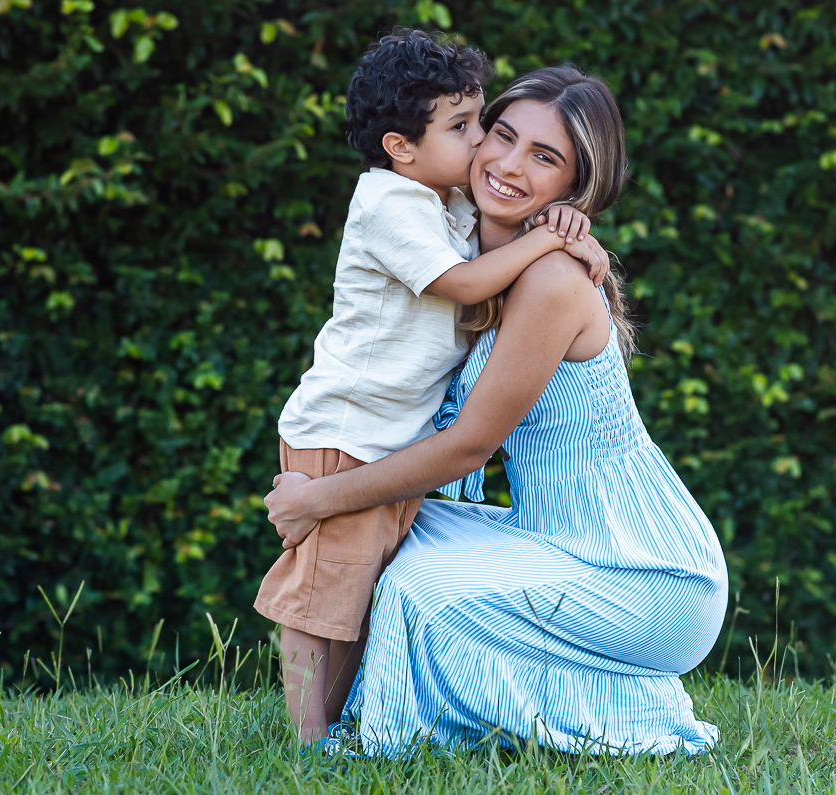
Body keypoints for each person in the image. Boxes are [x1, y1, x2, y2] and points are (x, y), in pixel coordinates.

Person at [264, 65, 728, 757]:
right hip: (549, 538)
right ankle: (329, 726)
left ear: (574, 186)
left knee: (416, 584)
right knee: (389, 530)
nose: (509, 165)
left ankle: (611, 710)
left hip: (642, 570)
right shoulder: (453, 239)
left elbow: (467, 447)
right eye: (502, 135)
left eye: (544, 157)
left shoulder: (551, 278)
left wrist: (316, 499)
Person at [253, 30, 609, 748]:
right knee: (320, 595)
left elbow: (501, 248)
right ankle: (306, 740)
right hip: (348, 431)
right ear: (400, 146)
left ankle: (332, 723)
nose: (482, 146)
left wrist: (568, 227)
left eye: (480, 121)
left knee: (358, 590)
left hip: (387, 437)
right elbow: (468, 283)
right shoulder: (389, 203)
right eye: (466, 127)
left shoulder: (440, 199)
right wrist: (550, 239)